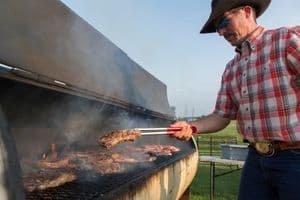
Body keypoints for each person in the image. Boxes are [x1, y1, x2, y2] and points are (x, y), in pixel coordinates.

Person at [170, 0, 300, 199]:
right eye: (217, 28)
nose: (220, 33)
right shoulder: (231, 69)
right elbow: (221, 116)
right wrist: (191, 127)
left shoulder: (285, 40)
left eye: (223, 22)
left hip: (295, 159)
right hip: (255, 160)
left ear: (247, 12)